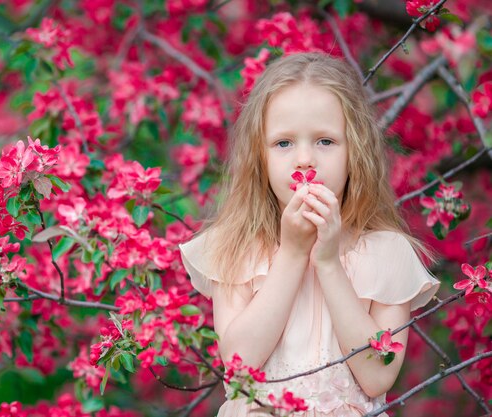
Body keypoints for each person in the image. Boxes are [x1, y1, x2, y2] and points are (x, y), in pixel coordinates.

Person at [178, 53, 441, 416]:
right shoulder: (236, 247)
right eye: (283, 143)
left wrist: (330, 263)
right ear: (260, 157)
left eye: (325, 141)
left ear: (356, 151)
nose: (304, 159)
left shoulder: (388, 254)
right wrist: (292, 253)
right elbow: (240, 364)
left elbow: (378, 376)